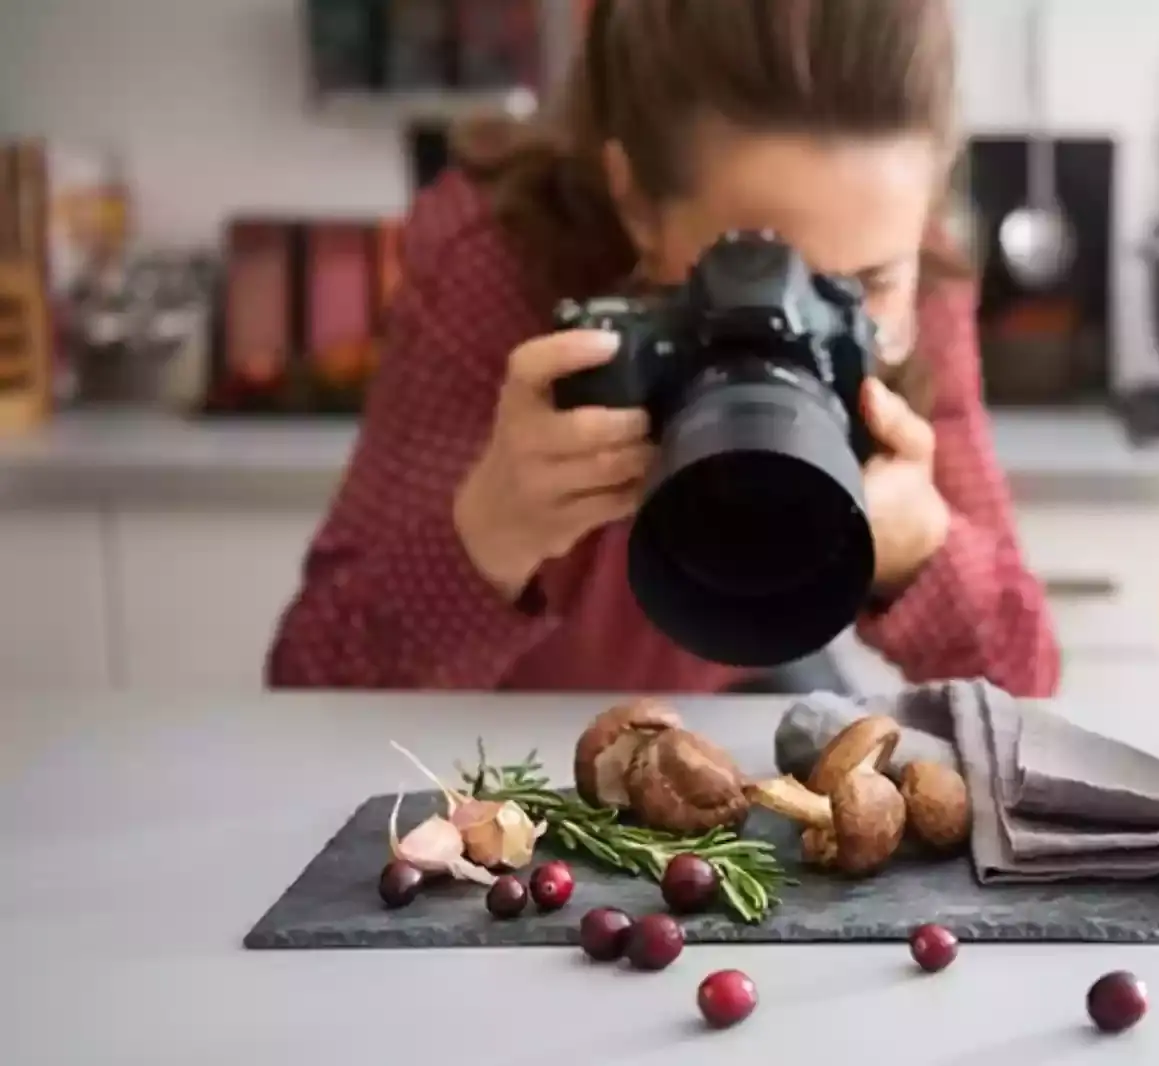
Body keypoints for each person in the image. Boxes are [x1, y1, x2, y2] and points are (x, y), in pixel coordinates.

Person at [265, 0, 1061, 696]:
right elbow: (314, 680)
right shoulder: (495, 261)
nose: (797, 323)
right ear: (636, 202)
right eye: (752, 267)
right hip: (492, 723)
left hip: (738, 685)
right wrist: (491, 533)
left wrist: (923, 550)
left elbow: (1027, 677)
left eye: (863, 284)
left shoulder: (918, 283)